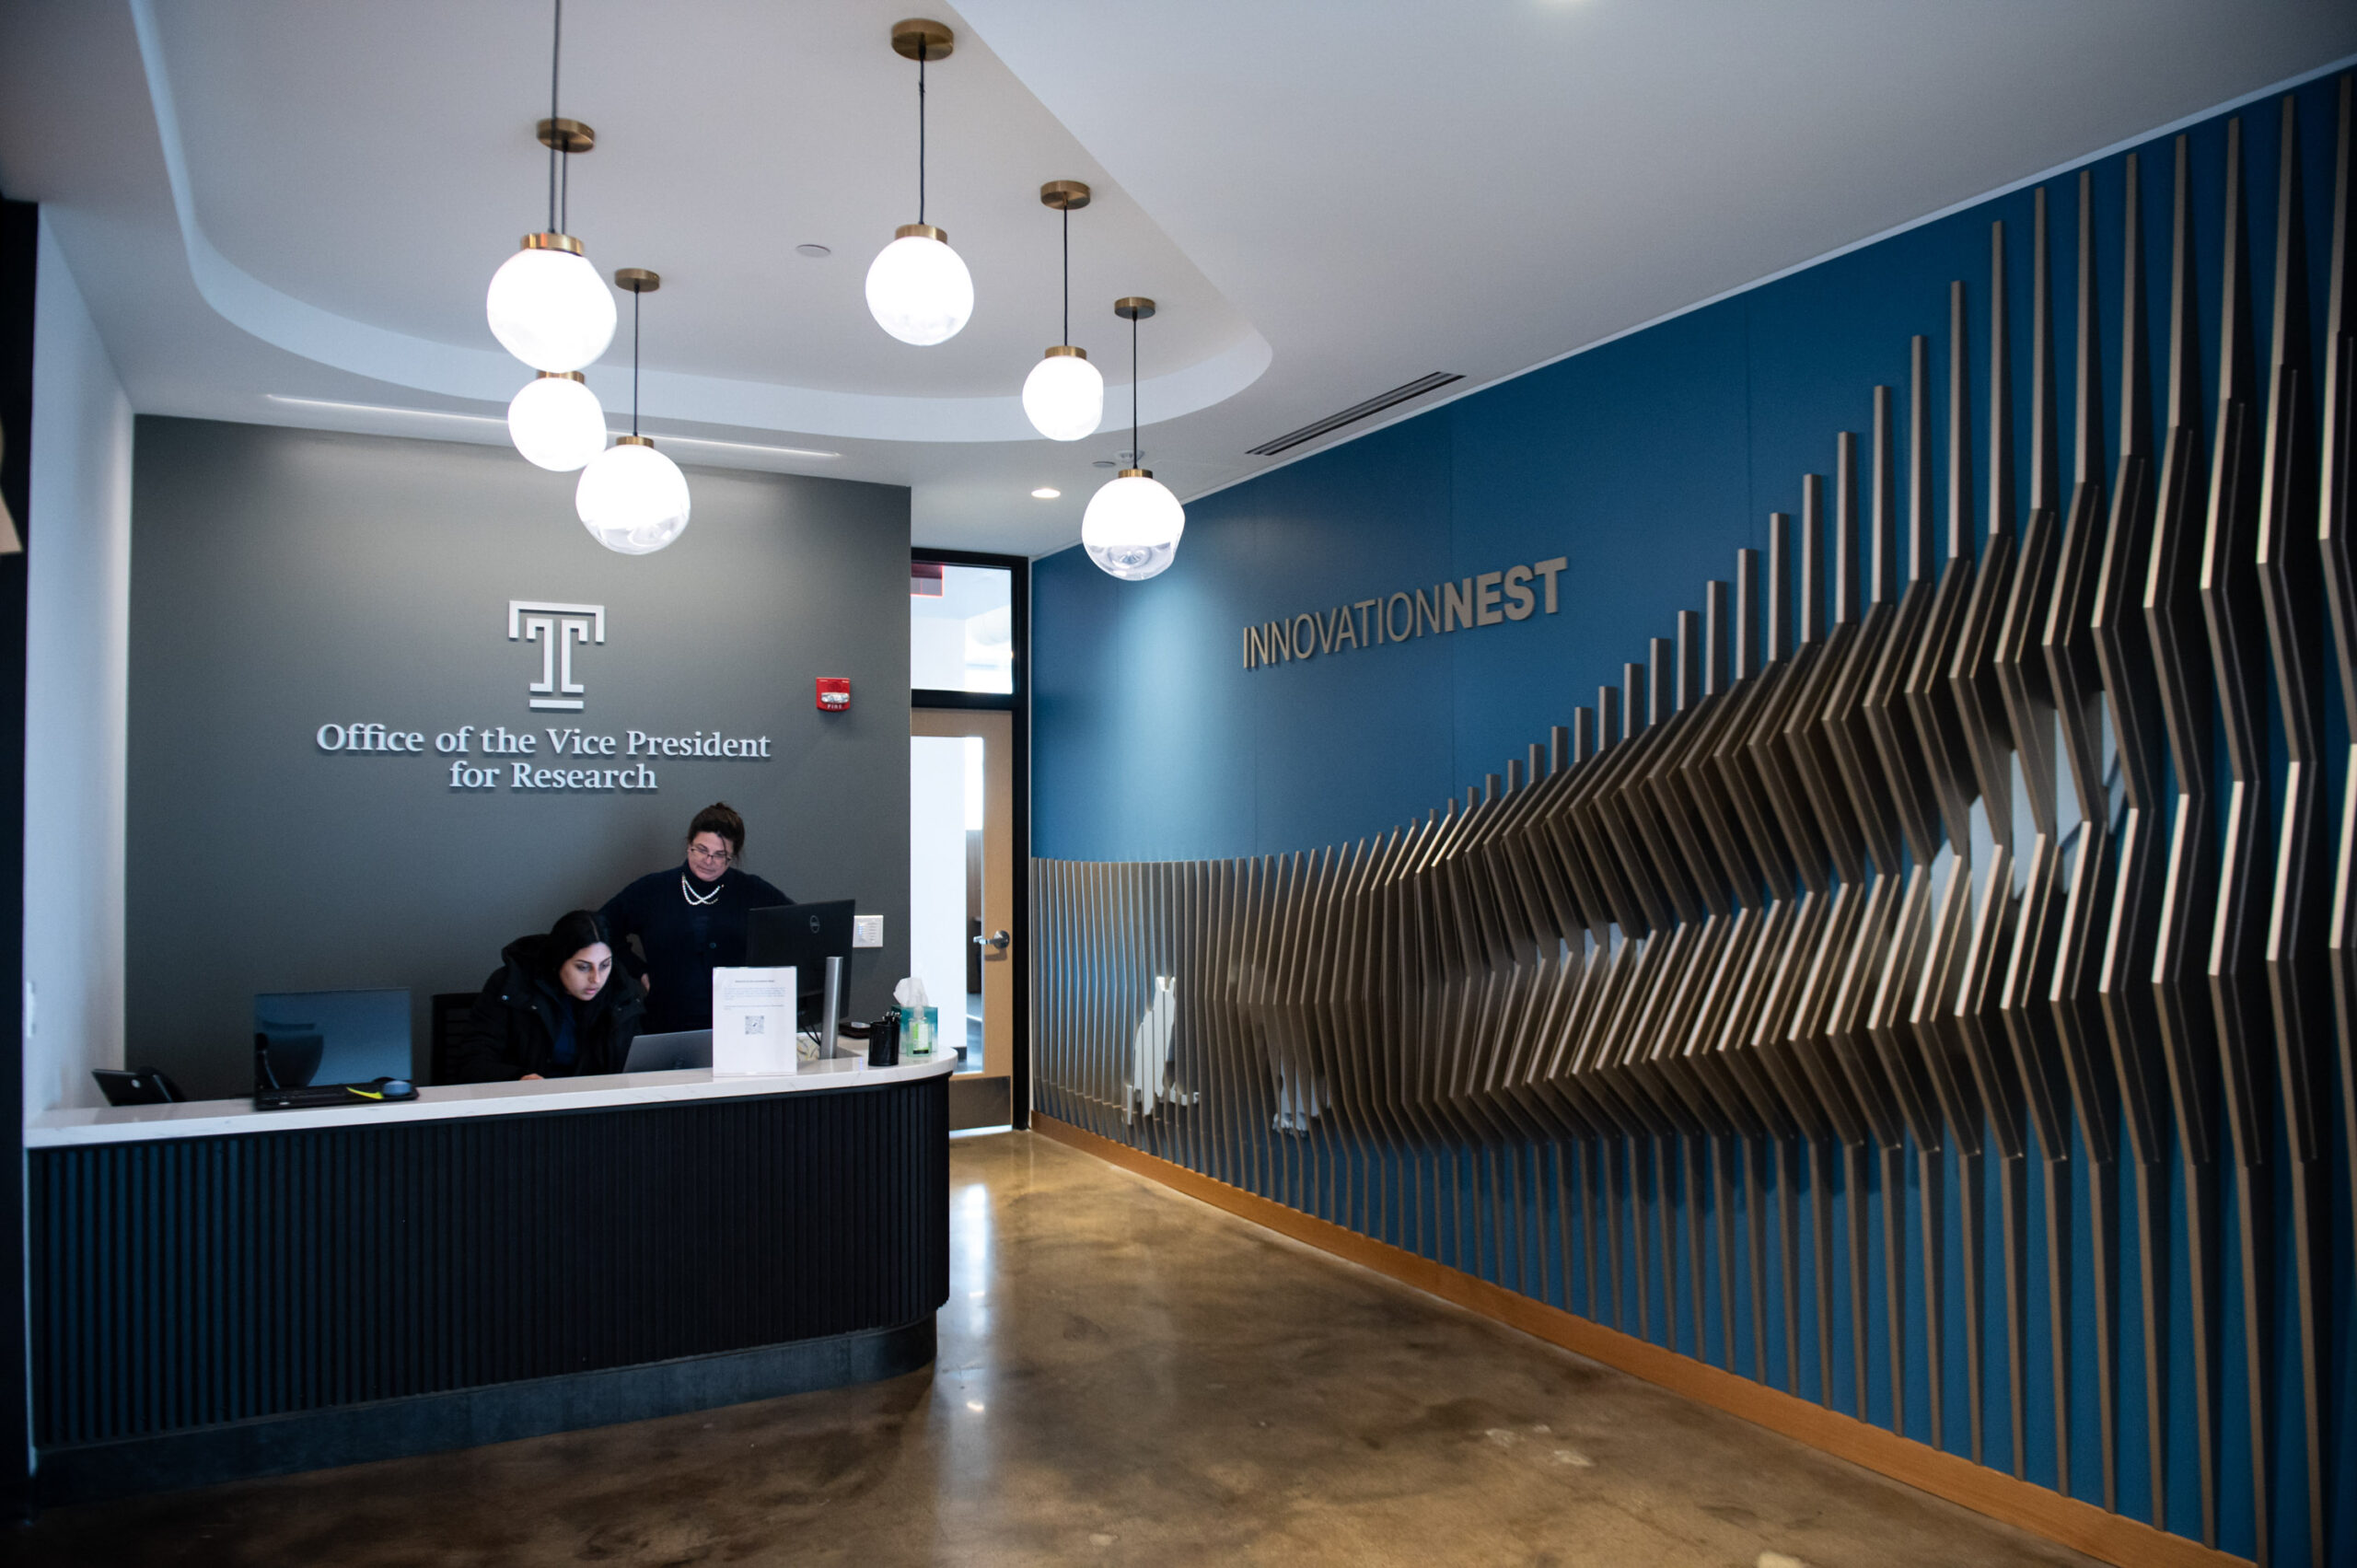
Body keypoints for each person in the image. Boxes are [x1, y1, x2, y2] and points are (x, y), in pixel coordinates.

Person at [600, 802, 792, 1034]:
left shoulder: (752, 891)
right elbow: (600, 928)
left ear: (733, 857)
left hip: (736, 1026)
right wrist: (639, 971)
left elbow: (797, 929)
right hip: (665, 1023)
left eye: (720, 855)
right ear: (688, 844)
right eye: (701, 849)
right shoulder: (653, 890)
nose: (708, 861)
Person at [450, 909, 646, 1082]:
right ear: (559, 961)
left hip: (595, 1108)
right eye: (583, 967)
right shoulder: (512, 984)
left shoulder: (620, 989)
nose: (596, 979)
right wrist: (517, 1078)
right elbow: (473, 1061)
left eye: (605, 965)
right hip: (523, 1107)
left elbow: (630, 1064)